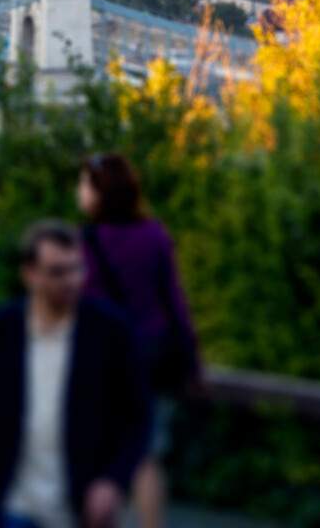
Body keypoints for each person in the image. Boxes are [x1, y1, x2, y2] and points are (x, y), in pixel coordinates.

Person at [0, 220, 151, 528]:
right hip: (7, 507)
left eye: (77, 269)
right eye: (58, 271)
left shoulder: (110, 332)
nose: (72, 280)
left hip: (75, 509)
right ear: (30, 274)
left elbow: (137, 419)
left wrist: (112, 480)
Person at [79, 153, 200, 528]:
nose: (79, 193)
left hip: (106, 359)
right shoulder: (155, 235)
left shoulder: (89, 241)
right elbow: (174, 300)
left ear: (99, 192)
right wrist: (191, 359)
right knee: (146, 455)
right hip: (153, 353)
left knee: (102, 453)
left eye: (83, 184)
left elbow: (84, 306)